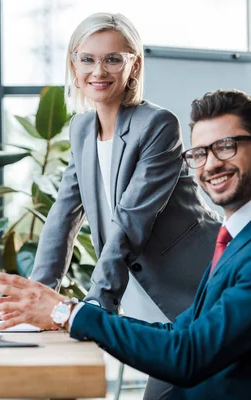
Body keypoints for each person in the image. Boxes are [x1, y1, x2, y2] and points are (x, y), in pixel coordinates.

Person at [0, 89, 251, 400]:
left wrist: (69, 312)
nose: (211, 165)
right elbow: (180, 335)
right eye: (199, 153)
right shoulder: (247, 237)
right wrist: (65, 313)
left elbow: (186, 356)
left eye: (226, 147)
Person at [30, 12, 220, 329]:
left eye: (113, 60)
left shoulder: (158, 124)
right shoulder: (81, 128)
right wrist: (37, 296)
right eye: (87, 59)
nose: (98, 71)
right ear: (73, 66)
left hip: (192, 285)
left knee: (186, 375)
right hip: (137, 285)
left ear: (134, 66)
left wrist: (94, 307)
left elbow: (131, 221)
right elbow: (63, 214)